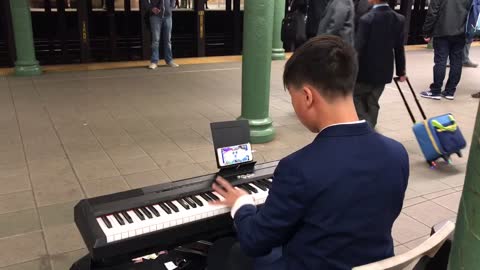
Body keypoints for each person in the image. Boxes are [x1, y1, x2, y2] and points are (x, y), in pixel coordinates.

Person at [207, 36, 409, 270]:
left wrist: (241, 204)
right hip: (371, 262)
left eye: (293, 99)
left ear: (307, 96)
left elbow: (255, 242)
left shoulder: (299, 167)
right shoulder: (397, 154)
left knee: (228, 250)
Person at [354, 0, 407, 128]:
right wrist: (401, 71)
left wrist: (350, 69)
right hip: (384, 71)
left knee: (356, 97)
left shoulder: (366, 19)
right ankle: (370, 127)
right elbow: (399, 47)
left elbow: (358, 48)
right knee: (373, 101)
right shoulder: (399, 19)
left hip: (364, 71)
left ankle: (365, 127)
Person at [420, 0, 471, 100]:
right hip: (461, 33)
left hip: (442, 31)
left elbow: (432, 13)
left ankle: (435, 91)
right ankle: (450, 91)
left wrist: (427, 31)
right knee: (456, 62)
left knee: (440, 61)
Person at [142, 0, 179, 69]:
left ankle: (169, 60)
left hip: (168, 16)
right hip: (155, 16)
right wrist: (151, 8)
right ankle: (154, 61)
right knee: (155, 40)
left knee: (168, 40)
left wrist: (170, 7)